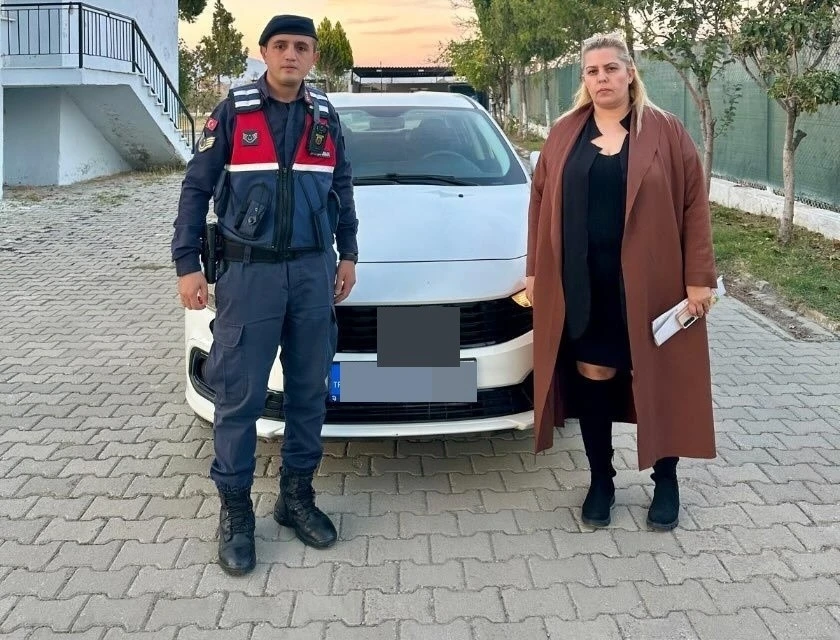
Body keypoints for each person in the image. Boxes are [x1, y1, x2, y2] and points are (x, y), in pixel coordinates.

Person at [171, 14, 359, 575]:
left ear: (313, 56)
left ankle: (295, 498)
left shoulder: (325, 116)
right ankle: (235, 512)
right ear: (265, 52)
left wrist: (348, 253)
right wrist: (187, 263)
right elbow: (195, 188)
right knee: (240, 396)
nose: (291, 55)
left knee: (309, 391)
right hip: (248, 276)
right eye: (281, 45)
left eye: (301, 46)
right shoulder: (233, 112)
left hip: (311, 272)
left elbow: (343, 187)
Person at [524, 33, 717, 531]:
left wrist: (699, 278)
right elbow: (540, 202)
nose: (602, 78)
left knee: (660, 380)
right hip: (584, 286)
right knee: (593, 375)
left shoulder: (666, 131)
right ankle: (601, 480)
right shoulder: (565, 133)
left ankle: (666, 480)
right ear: (584, 80)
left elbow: (694, 205)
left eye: (611, 68)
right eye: (592, 71)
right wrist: (535, 271)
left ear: (630, 73)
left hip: (653, 285)